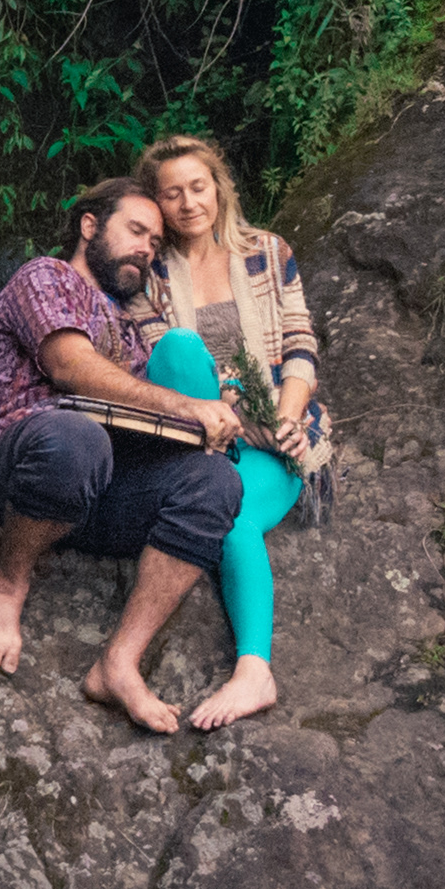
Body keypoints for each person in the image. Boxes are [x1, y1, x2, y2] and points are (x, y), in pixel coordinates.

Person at [0, 175, 246, 733]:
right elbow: (69, 366)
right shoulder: (43, 277)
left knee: (217, 483)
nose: (146, 247)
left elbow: (144, 413)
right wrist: (183, 404)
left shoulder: (130, 326)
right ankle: (9, 587)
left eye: (154, 243)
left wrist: (220, 412)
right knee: (76, 438)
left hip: (99, 493)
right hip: (23, 468)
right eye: (136, 230)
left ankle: (118, 663)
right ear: (90, 225)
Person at [133, 133, 332, 732]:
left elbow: (300, 344)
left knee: (234, 513)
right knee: (180, 347)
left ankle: (254, 671)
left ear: (219, 188)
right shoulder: (148, 274)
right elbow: (158, 362)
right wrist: (238, 417)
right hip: (199, 433)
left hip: (281, 435)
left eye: (199, 187)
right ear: (157, 205)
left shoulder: (269, 252)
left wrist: (289, 420)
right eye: (173, 194)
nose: (190, 203)